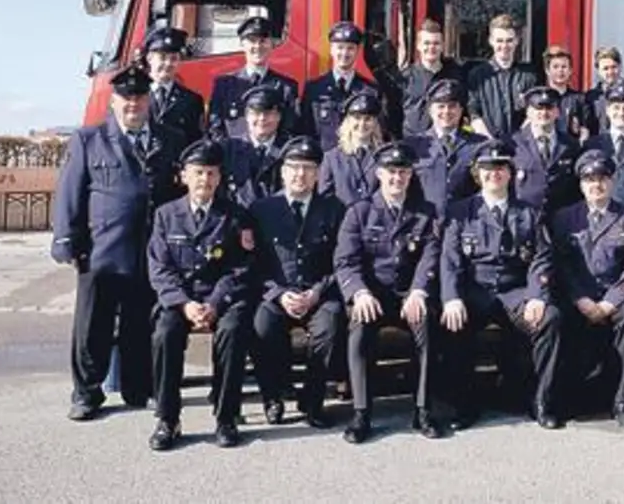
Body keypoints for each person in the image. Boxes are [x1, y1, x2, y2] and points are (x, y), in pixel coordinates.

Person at [50, 64, 182, 422]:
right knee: (93, 324)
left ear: (149, 100)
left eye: (139, 97)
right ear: (113, 101)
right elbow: (70, 192)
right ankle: (87, 393)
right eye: (126, 98)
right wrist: (66, 239)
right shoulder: (89, 139)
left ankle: (138, 388)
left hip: (151, 248)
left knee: (141, 321)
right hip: (102, 248)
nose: (133, 104)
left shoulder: (168, 139)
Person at [440, 141, 565, 430]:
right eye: (487, 168)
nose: (493, 174)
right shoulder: (460, 212)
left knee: (550, 318)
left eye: (500, 168)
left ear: (510, 173)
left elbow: (542, 258)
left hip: (515, 292)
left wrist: (537, 295)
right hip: (476, 291)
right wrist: (451, 298)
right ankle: (463, 404)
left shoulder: (529, 213)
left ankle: (542, 401)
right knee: (452, 322)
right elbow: (450, 261)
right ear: (477, 174)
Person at [146, 139, 258, 450]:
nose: (204, 180)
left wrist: (214, 303)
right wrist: (184, 304)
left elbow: (240, 268)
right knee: (164, 334)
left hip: (221, 299)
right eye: (197, 172)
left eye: (210, 173)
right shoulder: (166, 215)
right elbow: (159, 268)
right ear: (184, 176)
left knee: (233, 331)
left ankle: (226, 417)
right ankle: (168, 418)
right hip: (180, 300)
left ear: (219, 177)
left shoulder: (236, 216)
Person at [333, 142, 445, 442]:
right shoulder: (359, 212)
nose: (397, 178)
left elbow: (430, 256)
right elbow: (345, 261)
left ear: (411, 175)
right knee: (359, 329)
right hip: (373, 296)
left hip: (409, 294)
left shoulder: (425, 213)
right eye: (391, 172)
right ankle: (361, 413)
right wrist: (359, 293)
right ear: (379, 174)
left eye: (403, 172)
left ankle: (423, 410)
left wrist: (419, 291)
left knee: (427, 326)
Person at [550, 150, 624, 428]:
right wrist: (580, 298)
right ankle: (565, 398)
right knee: (556, 318)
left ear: (612, 181)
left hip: (616, 296)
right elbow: (561, 265)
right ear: (581, 184)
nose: (596, 185)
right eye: (589, 180)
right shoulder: (564, 218)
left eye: (602, 179)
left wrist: (610, 302)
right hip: (578, 296)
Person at [248, 136, 345, 428]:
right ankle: (273, 396)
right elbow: (254, 264)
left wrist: (317, 292)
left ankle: (313, 401)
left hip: (318, 292)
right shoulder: (262, 209)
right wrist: (278, 294)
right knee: (262, 326)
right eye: (293, 167)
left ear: (317, 174)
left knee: (329, 325)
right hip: (277, 293)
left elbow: (342, 261)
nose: (300, 174)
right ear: (283, 171)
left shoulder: (334, 209)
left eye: (308, 168)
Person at [207, 16, 300, 140]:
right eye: (252, 41)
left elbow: (290, 130)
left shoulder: (286, 87)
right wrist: (230, 149)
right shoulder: (224, 85)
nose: (258, 46)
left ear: (272, 44)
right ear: (242, 44)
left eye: (263, 41)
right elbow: (215, 129)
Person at [405, 78, 487, 216]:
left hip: (466, 220)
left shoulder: (479, 144)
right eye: (441, 106)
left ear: (461, 110)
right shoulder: (414, 145)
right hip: (427, 222)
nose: (447, 111)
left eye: (452, 106)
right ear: (430, 110)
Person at [299, 21, 382, 154]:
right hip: (323, 160)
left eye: (350, 48)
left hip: (357, 161)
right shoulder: (314, 89)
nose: (345, 53)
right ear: (331, 50)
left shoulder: (371, 90)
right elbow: (305, 131)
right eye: (340, 47)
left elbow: (377, 133)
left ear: (357, 51)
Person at [509, 86, 582, 216]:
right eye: (538, 108)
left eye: (549, 108)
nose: (544, 113)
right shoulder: (513, 143)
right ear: (528, 112)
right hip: (524, 217)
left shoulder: (571, 144)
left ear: (557, 112)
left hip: (561, 217)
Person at [464, 14, 539, 139]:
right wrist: (489, 141)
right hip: (486, 143)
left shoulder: (529, 77)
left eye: (509, 40)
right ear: (491, 41)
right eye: (499, 40)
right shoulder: (477, 75)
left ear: (516, 41)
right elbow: (474, 113)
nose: (504, 46)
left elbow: (534, 113)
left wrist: (519, 141)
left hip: (522, 145)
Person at [221, 85, 291, 208]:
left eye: (268, 113)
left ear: (279, 117)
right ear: (246, 116)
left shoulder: (289, 149)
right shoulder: (228, 149)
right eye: (256, 113)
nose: (262, 119)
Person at [397, 19, 465, 139]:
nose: (431, 47)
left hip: (448, 142)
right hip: (413, 143)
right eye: (427, 43)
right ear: (418, 45)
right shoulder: (405, 78)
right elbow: (395, 114)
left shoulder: (456, 75)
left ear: (443, 46)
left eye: (436, 43)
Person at [318, 93, 387, 208]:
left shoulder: (383, 157)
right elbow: (324, 196)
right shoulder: (332, 158)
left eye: (368, 119)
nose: (362, 124)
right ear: (347, 121)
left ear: (375, 123)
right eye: (357, 118)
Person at [143, 27, 204, 149]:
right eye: (162, 57)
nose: (168, 64)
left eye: (174, 59)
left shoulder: (191, 100)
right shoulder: (132, 95)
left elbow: (196, 143)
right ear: (149, 58)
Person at [542, 46, 589, 140]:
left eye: (564, 67)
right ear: (547, 70)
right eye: (555, 67)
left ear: (570, 70)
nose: (560, 70)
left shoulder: (580, 99)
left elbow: (585, 129)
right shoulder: (540, 98)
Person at [585, 46, 624, 137]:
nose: (610, 72)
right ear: (598, 70)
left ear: (620, 66)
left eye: (614, 67)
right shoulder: (591, 97)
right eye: (605, 68)